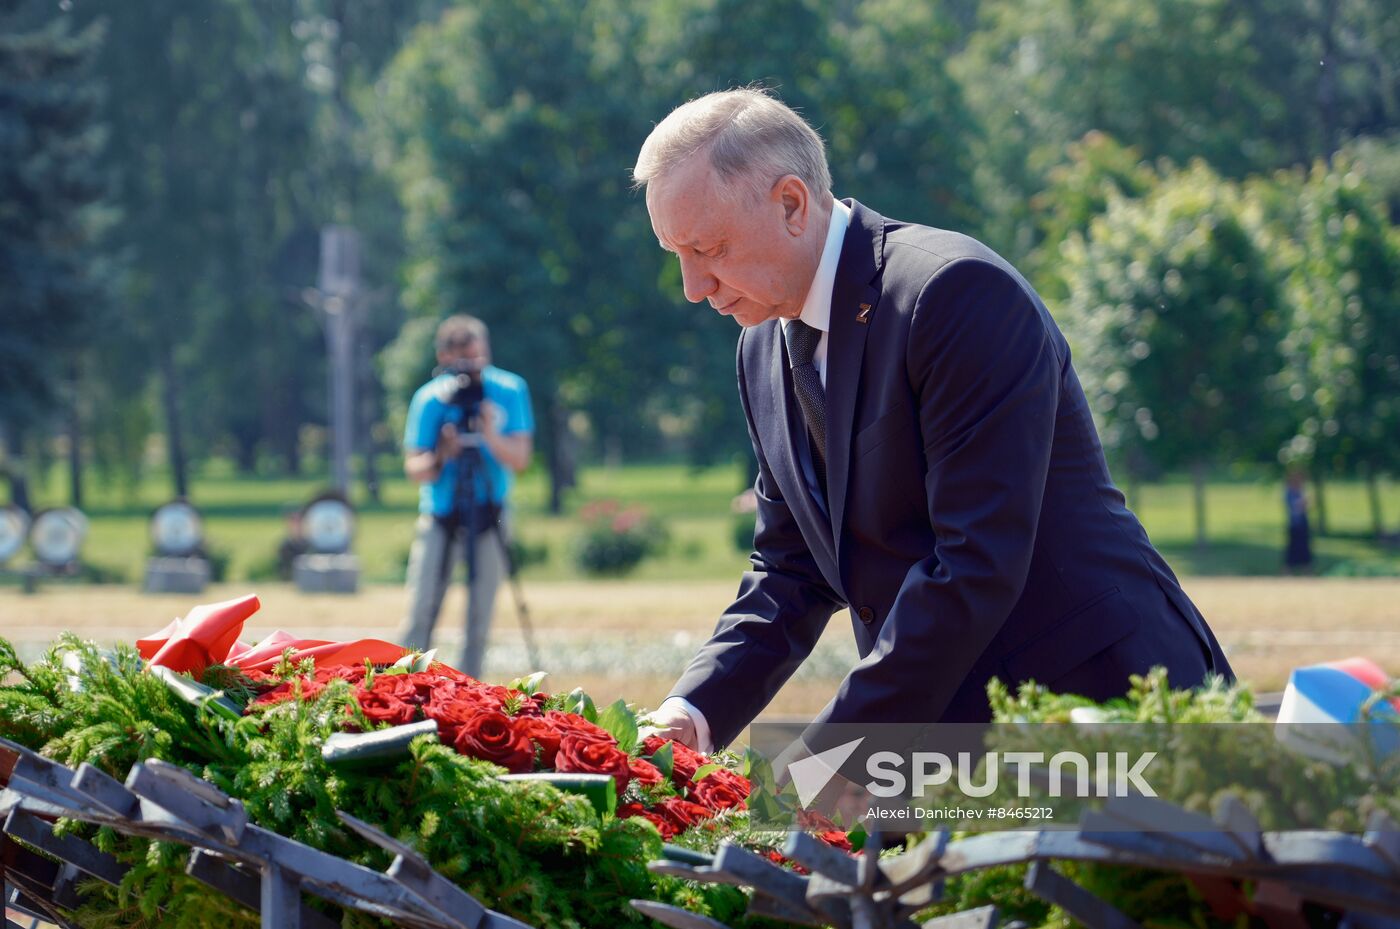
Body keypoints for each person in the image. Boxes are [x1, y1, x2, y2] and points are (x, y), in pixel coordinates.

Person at [636, 89, 1233, 754]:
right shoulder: (760, 346)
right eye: (676, 255)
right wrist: (694, 708)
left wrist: (835, 751)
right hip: (952, 753)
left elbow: (974, 561)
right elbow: (789, 567)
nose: (693, 286)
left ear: (791, 204)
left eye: (709, 247)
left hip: (1107, 712)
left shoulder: (954, 294)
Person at [397, 315, 534, 679]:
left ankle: (470, 688)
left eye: (477, 362)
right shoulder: (429, 399)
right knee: (421, 608)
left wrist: (490, 434)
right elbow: (415, 469)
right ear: (443, 358)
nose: (471, 375)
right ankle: (406, 684)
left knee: (479, 615)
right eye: (462, 364)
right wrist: (442, 453)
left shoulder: (508, 389)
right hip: (441, 514)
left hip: (492, 512)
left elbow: (520, 459)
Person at [1283, 469, 1313, 575]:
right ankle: (1287, 573)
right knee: (1292, 550)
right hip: (1294, 525)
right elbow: (1296, 508)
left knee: (1305, 550)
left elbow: (1307, 506)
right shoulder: (1289, 492)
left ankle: (1307, 574)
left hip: (1303, 524)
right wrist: (1304, 502)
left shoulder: (1300, 492)